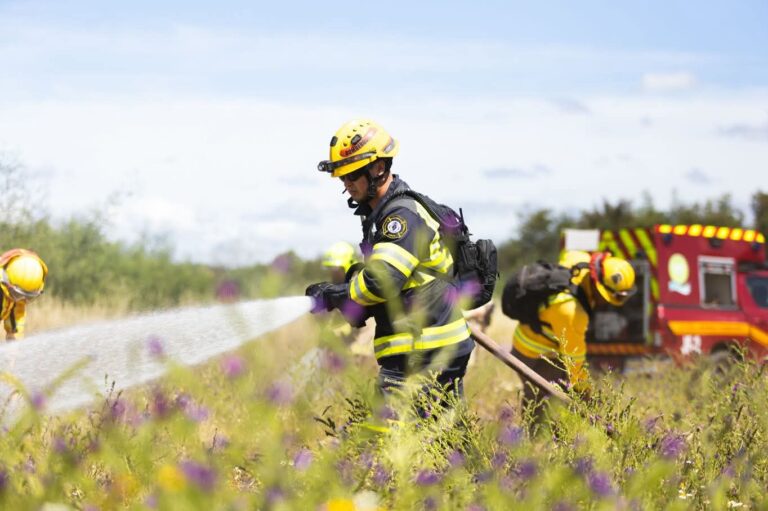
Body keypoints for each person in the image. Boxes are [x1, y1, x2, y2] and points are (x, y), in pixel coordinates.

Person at [306, 119, 474, 399]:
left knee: (388, 436)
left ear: (378, 168)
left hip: (423, 350)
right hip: (424, 346)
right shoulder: (380, 215)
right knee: (444, 438)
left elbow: (383, 282)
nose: (347, 185)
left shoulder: (400, 217)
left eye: (352, 176)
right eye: (342, 179)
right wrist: (353, 302)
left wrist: (335, 294)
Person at [510, 250, 635, 416]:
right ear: (598, 287)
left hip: (534, 339)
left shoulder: (580, 261)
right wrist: (587, 396)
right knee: (545, 401)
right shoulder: (572, 313)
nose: (606, 302)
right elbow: (575, 364)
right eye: (607, 297)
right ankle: (532, 439)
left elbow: (568, 254)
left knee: (554, 395)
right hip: (533, 352)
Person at [0, 249, 48, 341]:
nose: (21, 300)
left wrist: (14, 349)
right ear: (6, 282)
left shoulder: (15, 298)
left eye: (28, 296)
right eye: (17, 295)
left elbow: (14, 332)